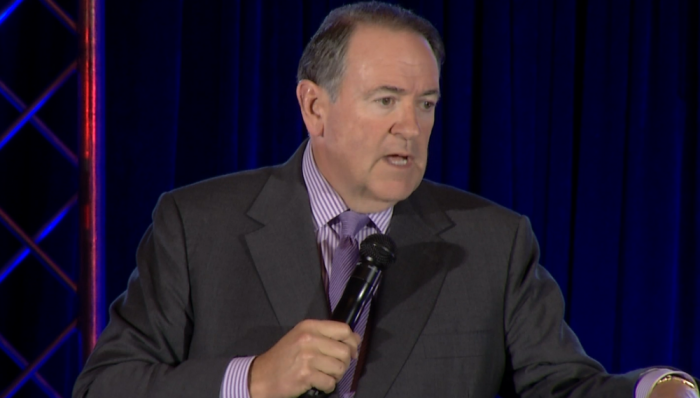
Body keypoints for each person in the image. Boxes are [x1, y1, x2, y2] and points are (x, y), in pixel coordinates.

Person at [72, 2, 699, 398]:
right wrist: (253, 380)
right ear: (315, 107)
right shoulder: (196, 226)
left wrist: (654, 391)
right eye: (386, 100)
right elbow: (106, 387)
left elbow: (561, 387)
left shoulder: (492, 243)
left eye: (426, 105)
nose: (411, 127)